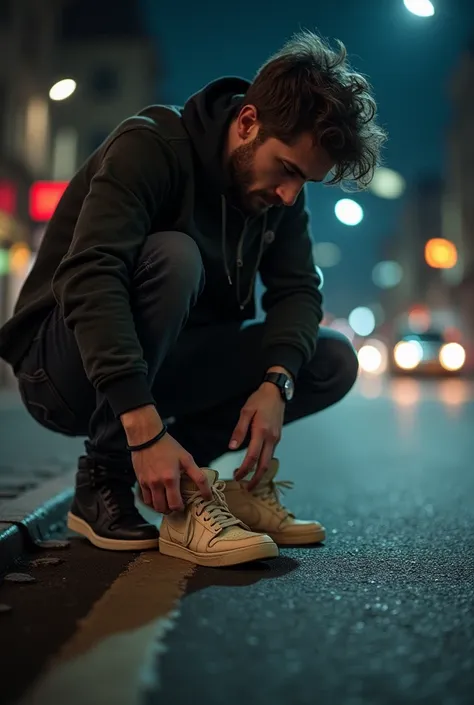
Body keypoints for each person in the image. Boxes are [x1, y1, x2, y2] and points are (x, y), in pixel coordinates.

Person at [0, 30, 386, 567]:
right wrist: (140, 421)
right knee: (175, 257)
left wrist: (277, 382)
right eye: (289, 171)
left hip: (171, 363)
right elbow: (92, 275)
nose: (290, 195)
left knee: (328, 360)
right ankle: (105, 476)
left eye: (306, 183)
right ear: (248, 122)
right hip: (64, 369)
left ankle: (182, 479)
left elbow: (297, 289)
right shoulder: (151, 145)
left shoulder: (278, 197)